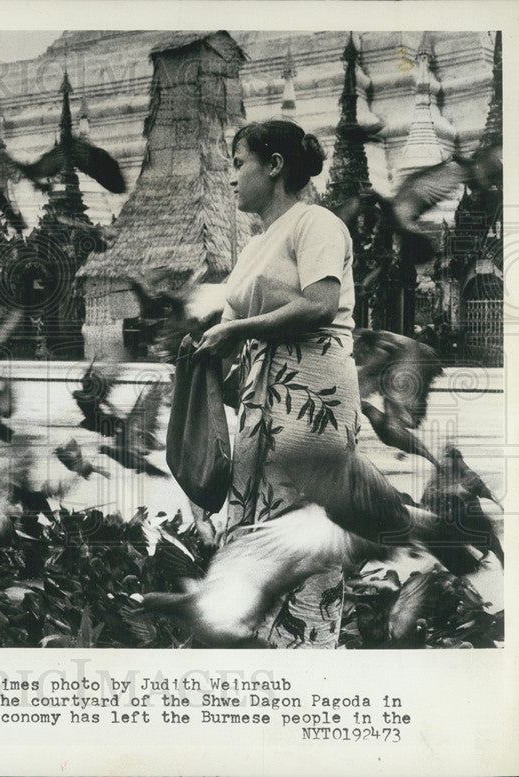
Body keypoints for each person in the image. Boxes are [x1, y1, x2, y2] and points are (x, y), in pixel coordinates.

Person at [194, 120, 361, 648]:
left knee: (305, 531)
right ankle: (259, 654)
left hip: (314, 395)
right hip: (261, 396)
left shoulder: (317, 223)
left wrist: (236, 330)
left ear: (274, 165)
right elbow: (230, 328)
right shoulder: (255, 246)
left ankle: (306, 656)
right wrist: (204, 359)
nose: (231, 178)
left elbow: (320, 303)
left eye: (238, 163)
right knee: (253, 533)